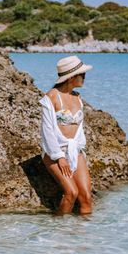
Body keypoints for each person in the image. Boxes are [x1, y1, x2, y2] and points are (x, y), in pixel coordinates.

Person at [39, 56, 93, 215]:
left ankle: (83, 237)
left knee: (86, 198)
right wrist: (59, 157)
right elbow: (47, 130)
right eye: (82, 74)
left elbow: (79, 129)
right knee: (71, 193)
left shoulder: (77, 97)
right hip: (54, 152)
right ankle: (59, 232)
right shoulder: (51, 97)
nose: (84, 77)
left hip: (75, 150)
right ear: (71, 77)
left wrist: (78, 151)